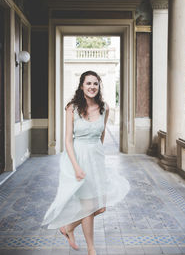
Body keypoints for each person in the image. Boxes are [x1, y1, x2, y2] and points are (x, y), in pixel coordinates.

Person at [41, 70, 130, 255]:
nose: (92, 87)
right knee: (88, 206)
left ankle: (69, 227)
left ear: (99, 86)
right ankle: (91, 249)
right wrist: (76, 167)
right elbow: (67, 140)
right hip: (78, 159)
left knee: (100, 206)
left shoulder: (104, 107)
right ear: (81, 86)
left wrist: (96, 154)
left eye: (95, 83)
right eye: (88, 83)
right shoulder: (71, 108)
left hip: (96, 159)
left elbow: (102, 134)